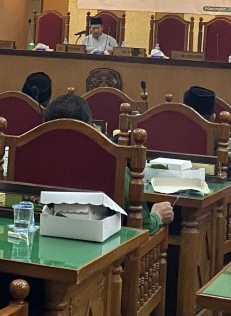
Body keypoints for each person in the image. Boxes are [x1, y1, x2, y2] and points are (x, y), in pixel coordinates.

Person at [42, 92, 174, 231]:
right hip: (103, 246)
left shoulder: (32, 162)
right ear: (93, 129)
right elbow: (142, 225)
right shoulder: (113, 167)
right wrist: (157, 216)